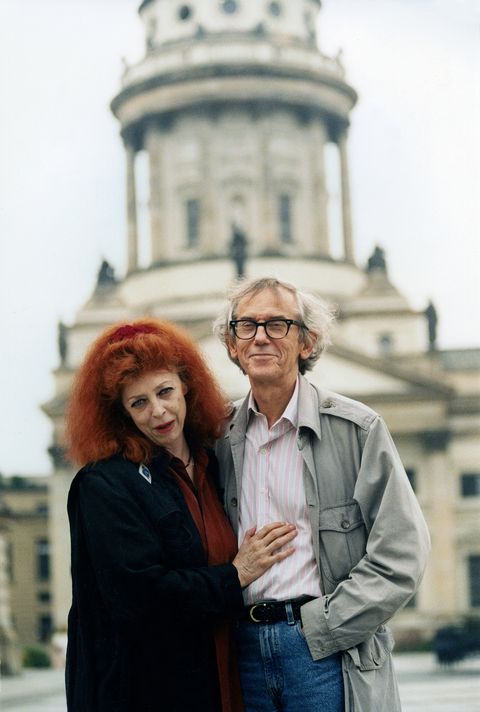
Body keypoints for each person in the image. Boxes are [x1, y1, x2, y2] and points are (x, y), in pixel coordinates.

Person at [213, 277, 431, 712]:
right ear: (231, 345)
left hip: (326, 654)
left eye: (277, 324)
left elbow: (403, 552)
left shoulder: (359, 429)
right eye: (246, 326)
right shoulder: (214, 438)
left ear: (307, 342)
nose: (259, 336)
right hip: (241, 655)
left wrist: (321, 627)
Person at [64, 318, 297, 712]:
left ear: (186, 385)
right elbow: (139, 598)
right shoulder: (104, 485)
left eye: (165, 391)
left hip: (223, 674)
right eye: (139, 402)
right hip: (148, 689)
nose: (159, 411)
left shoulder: (214, 462)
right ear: (122, 414)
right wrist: (236, 574)